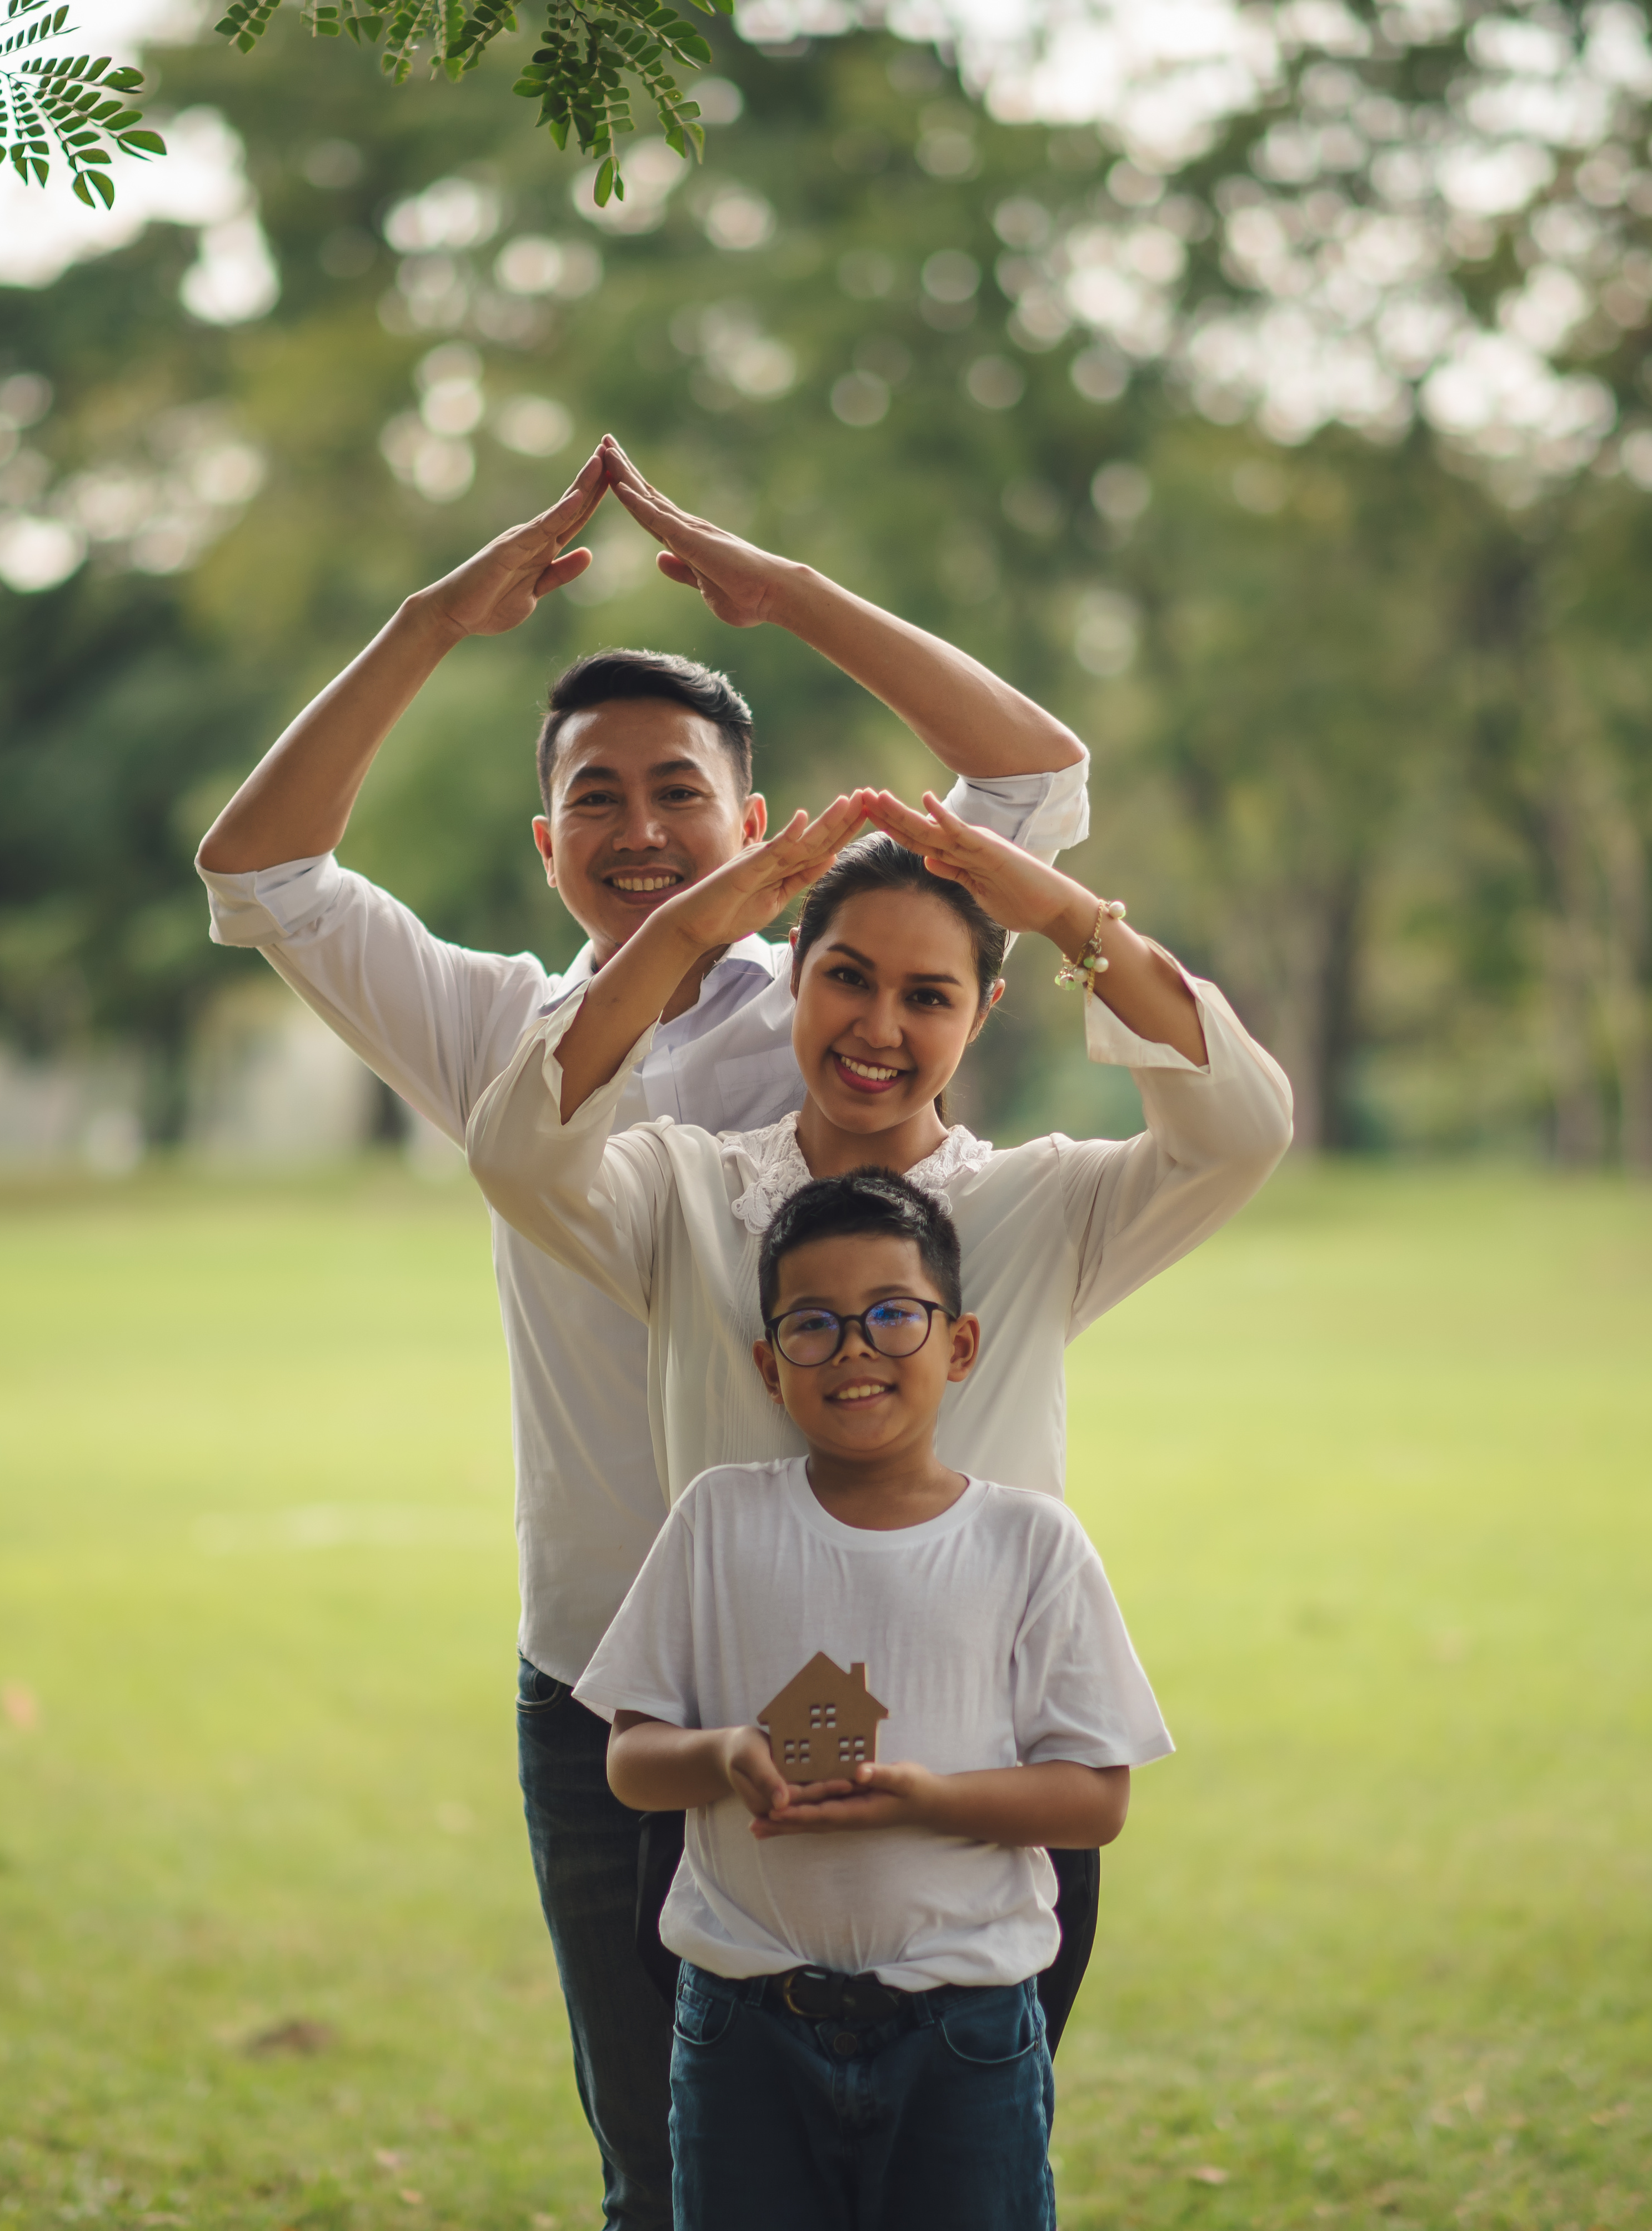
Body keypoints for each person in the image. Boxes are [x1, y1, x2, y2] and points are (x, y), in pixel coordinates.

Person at [194, 438, 1093, 2231]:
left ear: (749, 827)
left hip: (916, 1660)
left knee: (939, 2152)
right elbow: (261, 866)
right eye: (592, 798)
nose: (636, 829)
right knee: (666, 2180)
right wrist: (432, 619)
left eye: (676, 791)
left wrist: (790, 593)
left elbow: (1028, 772)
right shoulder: (494, 1034)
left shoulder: (840, 997)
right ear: (546, 847)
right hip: (616, 1679)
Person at [463, 791, 1295, 2063]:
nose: (877, 1027)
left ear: (981, 1012)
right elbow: (519, 1147)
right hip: (739, 1849)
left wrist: (1064, 914)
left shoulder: (1034, 1206)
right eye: (844, 977)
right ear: (790, 973)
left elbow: (1242, 1123)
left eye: (928, 995)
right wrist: (688, 927)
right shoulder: (682, 1189)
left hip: (984, 1848)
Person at [572, 1167, 1170, 2231]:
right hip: (743, 2024)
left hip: (965, 2029)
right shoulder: (719, 1522)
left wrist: (925, 1800)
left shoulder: (1029, 1544)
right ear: (768, 1365)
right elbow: (629, 1761)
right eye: (815, 1324)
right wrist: (723, 1756)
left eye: (895, 1316)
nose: (855, 1347)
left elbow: (1096, 1799)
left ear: (961, 1345)